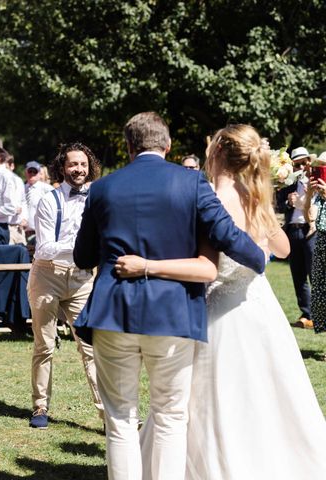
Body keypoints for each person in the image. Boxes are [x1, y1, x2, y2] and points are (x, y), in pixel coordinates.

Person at [117, 124, 326, 479]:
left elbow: (204, 264)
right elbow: (284, 250)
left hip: (219, 311)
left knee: (208, 397)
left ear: (215, 153)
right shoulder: (255, 198)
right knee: (267, 394)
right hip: (259, 307)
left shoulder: (209, 197)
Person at [72, 112, 266, 479]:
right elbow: (226, 235)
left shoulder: (102, 188)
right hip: (173, 313)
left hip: (114, 313)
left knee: (120, 419)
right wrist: (259, 257)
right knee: (170, 415)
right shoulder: (192, 183)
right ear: (168, 145)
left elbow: (83, 256)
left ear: (129, 146)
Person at [28, 142, 104, 429]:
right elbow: (45, 248)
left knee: (90, 346)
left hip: (82, 277)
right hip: (48, 275)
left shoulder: (96, 196)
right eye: (73, 164)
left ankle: (105, 413)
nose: (79, 169)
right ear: (62, 167)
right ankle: (40, 407)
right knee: (44, 345)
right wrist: (83, 246)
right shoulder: (49, 199)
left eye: (83, 164)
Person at [276, 146, 316, 329]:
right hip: (293, 230)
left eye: (304, 162)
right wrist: (288, 202)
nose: (301, 166)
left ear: (309, 162)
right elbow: (280, 205)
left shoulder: (317, 180)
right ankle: (306, 314)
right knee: (298, 274)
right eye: (297, 164)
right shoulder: (288, 184)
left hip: (311, 230)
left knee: (315, 273)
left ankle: (318, 313)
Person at [308, 152, 326, 334]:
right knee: (321, 293)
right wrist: (308, 195)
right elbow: (309, 216)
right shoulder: (319, 195)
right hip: (321, 242)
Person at [24, 160, 53, 244]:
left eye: (35, 172)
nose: (32, 174)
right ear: (26, 172)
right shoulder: (21, 188)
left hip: (40, 232)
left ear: (39, 174)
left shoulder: (47, 189)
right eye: (30, 171)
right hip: (23, 232)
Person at [6, 156, 28, 245]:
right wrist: (13, 210)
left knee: (23, 256)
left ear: (12, 166)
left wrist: (25, 218)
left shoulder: (18, 180)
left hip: (19, 227)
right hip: (6, 226)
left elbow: (23, 201)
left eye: (6, 167)